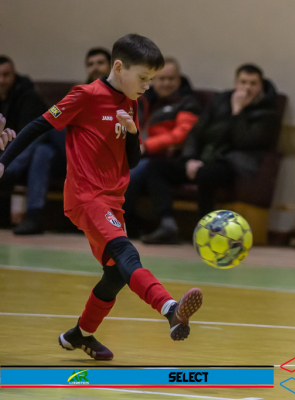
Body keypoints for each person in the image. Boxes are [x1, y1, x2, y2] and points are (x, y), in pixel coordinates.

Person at [0, 34, 203, 361]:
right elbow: (38, 127)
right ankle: (170, 309)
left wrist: (133, 134)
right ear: (119, 68)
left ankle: (79, 334)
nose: (147, 86)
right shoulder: (85, 95)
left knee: (116, 274)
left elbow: (132, 161)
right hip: (87, 196)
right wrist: (4, 162)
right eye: (143, 78)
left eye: (150, 80)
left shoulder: (131, 100)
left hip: (112, 199)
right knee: (127, 254)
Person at [141, 63, 279, 244]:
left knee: (207, 174)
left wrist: (237, 112)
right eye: (243, 82)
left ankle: (206, 231)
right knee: (156, 168)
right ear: (235, 83)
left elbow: (242, 141)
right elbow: (196, 132)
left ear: (261, 86)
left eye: (253, 83)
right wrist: (190, 159)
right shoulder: (220, 100)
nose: (247, 88)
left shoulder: (268, 112)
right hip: (203, 159)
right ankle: (168, 225)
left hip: (234, 164)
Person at [10, 48, 112, 235]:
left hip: (98, 155)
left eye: (100, 63)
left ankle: (10, 167)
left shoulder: (119, 94)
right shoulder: (79, 92)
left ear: (111, 67)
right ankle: (34, 216)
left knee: (50, 128)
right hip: (71, 154)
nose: (95, 67)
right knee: (43, 151)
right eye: (90, 64)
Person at [123, 57, 201, 236]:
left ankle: (123, 225)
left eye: (171, 79)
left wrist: (146, 146)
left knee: (128, 173)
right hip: (139, 154)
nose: (166, 83)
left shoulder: (188, 102)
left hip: (166, 158)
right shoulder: (142, 100)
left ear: (179, 79)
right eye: (161, 79)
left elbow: (182, 134)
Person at [0, 55, 48, 227]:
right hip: (9, 150)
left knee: (41, 150)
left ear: (14, 74)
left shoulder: (29, 97)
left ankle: (7, 169)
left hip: (35, 146)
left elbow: (29, 135)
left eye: (6, 75)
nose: (1, 80)